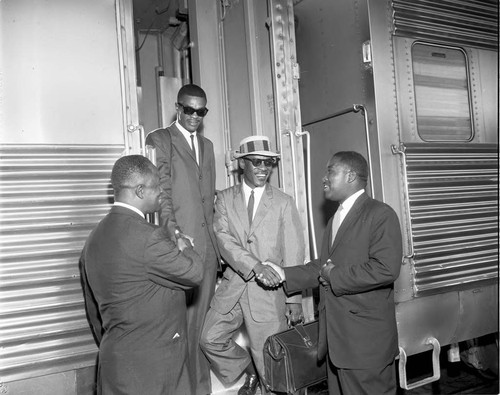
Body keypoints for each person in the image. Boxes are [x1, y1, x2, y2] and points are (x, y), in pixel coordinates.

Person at [264, 151, 403, 395]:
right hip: (338, 345)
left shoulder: (380, 214)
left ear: (350, 175)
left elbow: (386, 268)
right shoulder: (336, 219)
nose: (324, 178)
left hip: (365, 346)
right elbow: (323, 266)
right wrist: (285, 274)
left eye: (331, 171)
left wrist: (334, 275)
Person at [80, 155, 203, 394]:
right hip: (155, 368)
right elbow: (194, 273)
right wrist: (182, 242)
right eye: (157, 186)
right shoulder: (150, 237)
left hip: (114, 362)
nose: (161, 193)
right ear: (139, 190)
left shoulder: (93, 238)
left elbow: (94, 310)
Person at [200, 135, 305, 395]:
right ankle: (250, 371)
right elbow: (223, 239)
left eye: (269, 163)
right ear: (242, 164)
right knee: (209, 338)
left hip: (268, 295)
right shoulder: (224, 199)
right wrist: (255, 266)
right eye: (257, 162)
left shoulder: (283, 202)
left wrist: (294, 299)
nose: (264, 168)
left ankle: (265, 379)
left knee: (271, 361)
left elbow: (294, 252)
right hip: (233, 287)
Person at [145, 84, 220, 394]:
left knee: (201, 329)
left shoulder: (208, 146)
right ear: (177, 108)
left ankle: (201, 389)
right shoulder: (160, 140)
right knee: (181, 331)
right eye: (188, 109)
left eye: (200, 111)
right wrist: (175, 235)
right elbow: (160, 194)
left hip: (207, 253)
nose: (193, 115)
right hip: (180, 250)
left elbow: (209, 202)